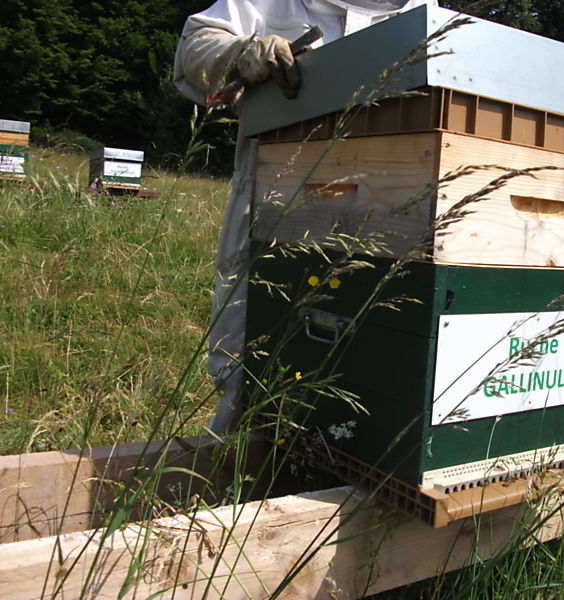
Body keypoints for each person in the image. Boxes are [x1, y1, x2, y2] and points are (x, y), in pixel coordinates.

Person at [174, 0, 438, 434]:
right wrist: (241, 52)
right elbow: (195, 47)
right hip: (273, 196)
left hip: (387, 205)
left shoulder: (424, 11)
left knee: (370, 350)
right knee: (248, 344)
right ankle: (237, 451)